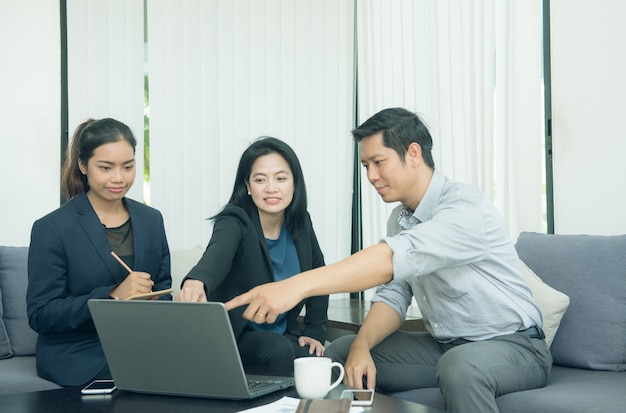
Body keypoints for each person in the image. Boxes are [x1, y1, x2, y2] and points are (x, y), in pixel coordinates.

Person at [226, 108, 553, 412]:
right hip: (444, 345)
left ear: (413, 153)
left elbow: (393, 258)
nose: (370, 175)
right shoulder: (401, 218)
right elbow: (394, 295)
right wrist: (361, 346)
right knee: (340, 352)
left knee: (461, 366)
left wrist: (295, 287)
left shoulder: (464, 209)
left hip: (516, 346)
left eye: (378, 162)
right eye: (366, 165)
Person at [26, 118, 172, 387]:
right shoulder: (52, 228)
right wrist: (113, 296)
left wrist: (159, 301)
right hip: (79, 351)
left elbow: (164, 289)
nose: (119, 178)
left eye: (128, 167)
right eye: (105, 168)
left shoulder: (151, 219)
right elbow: (41, 314)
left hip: (140, 343)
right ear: (83, 166)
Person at [176, 136, 328, 376]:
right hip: (236, 334)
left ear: (294, 183)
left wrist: (314, 330)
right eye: (260, 179)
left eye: (280, 178)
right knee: (278, 350)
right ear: (247, 185)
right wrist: (197, 280)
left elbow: (318, 276)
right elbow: (218, 253)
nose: (271, 188)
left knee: (320, 364)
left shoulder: (301, 222)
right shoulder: (234, 220)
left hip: (282, 333)